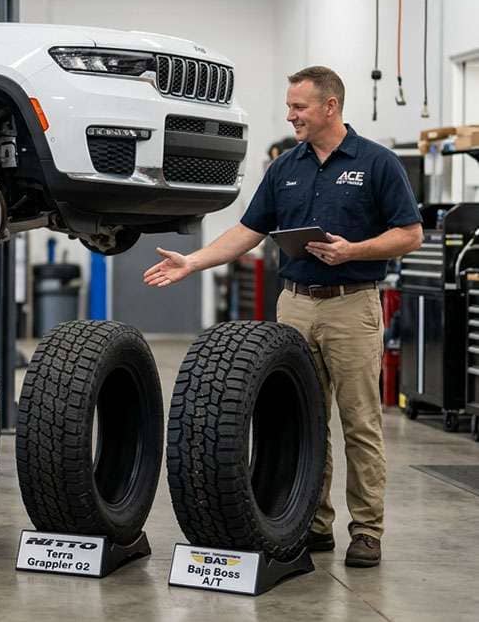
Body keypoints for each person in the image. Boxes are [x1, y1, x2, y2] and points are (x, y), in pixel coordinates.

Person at [143, 66, 422, 568]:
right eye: (290, 106)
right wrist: (194, 261)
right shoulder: (284, 167)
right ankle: (314, 523)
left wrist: (354, 250)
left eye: (299, 107)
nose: (290, 115)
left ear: (330, 107)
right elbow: (249, 231)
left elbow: (410, 234)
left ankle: (368, 531)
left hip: (351, 302)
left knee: (359, 421)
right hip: (293, 303)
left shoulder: (377, 163)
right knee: (303, 419)